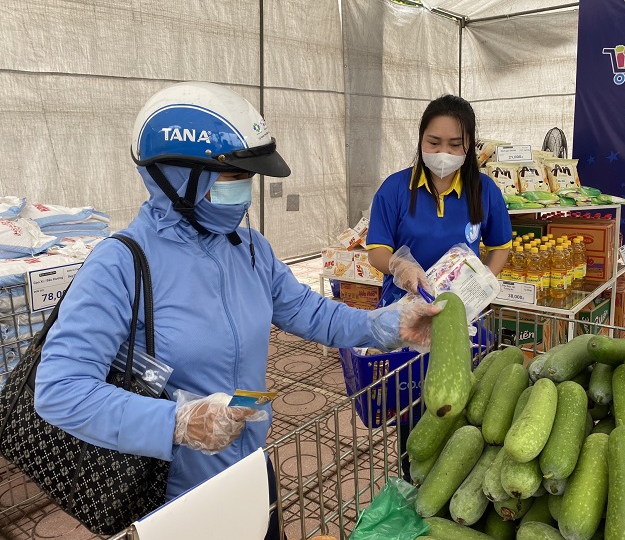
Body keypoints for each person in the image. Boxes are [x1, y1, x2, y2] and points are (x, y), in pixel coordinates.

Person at [33, 81, 439, 539]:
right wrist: (177, 422)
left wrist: (385, 324)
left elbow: (311, 313)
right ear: (180, 176)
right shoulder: (121, 263)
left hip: (251, 470)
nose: (246, 192)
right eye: (233, 178)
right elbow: (59, 389)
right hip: (175, 497)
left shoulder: (249, 248)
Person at [366, 94, 513, 306]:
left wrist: (480, 284)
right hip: (402, 307)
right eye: (434, 142)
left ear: (470, 144)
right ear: (421, 139)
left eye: (455, 145)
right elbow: (377, 251)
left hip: (461, 311)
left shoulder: (484, 190)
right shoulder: (394, 189)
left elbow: (500, 246)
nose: (443, 152)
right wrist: (400, 266)